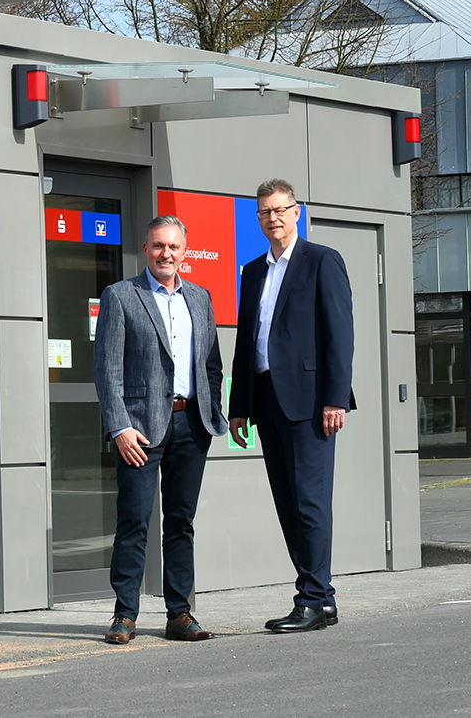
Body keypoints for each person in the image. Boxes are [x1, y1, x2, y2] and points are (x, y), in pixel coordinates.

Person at [93, 214, 227, 644]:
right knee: (133, 519)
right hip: (140, 430)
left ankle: (179, 614)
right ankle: (124, 614)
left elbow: (211, 364)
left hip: (192, 423)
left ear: (184, 250)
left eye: (173, 246)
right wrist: (119, 427)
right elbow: (107, 370)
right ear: (145, 249)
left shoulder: (201, 298)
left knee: (180, 522)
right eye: (157, 246)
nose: (165, 253)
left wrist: (213, 413)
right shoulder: (121, 296)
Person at [228, 178, 355, 633]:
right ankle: (320, 595)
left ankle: (313, 600)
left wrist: (335, 399)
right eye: (264, 212)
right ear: (258, 218)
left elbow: (340, 335)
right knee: (287, 503)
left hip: (311, 403)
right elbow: (247, 342)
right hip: (266, 401)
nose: (272, 218)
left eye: (280, 209)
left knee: (310, 502)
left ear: (296, 212)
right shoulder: (252, 271)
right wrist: (238, 404)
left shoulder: (322, 261)